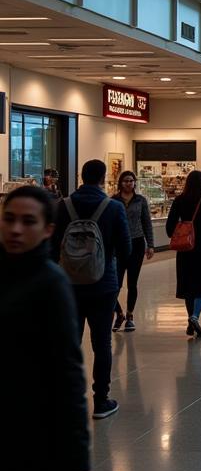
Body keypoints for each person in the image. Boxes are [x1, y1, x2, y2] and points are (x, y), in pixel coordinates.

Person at [1, 186, 91, 471]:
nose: (16, 229)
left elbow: (68, 373)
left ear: (48, 230)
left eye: (28, 221)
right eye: (8, 219)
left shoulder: (52, 284)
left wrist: (77, 456)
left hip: (43, 445)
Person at [51, 159, 131, 420]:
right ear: (103, 177)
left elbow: (51, 246)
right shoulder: (114, 207)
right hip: (103, 284)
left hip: (68, 284)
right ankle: (101, 400)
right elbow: (126, 248)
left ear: (81, 176)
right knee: (102, 343)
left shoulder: (62, 206)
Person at [166, 170, 201, 338]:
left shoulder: (179, 200)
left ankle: (190, 319)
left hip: (185, 250)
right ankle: (195, 316)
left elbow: (170, 227)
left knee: (188, 285)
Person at [112, 170, 155, 332]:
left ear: (135, 183)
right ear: (120, 183)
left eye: (131, 181)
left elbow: (146, 223)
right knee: (115, 284)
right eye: (125, 181)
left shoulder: (140, 200)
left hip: (137, 243)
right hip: (118, 244)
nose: (128, 183)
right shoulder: (114, 201)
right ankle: (119, 313)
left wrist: (150, 244)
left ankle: (130, 315)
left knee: (132, 283)